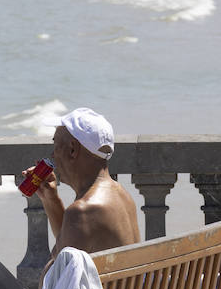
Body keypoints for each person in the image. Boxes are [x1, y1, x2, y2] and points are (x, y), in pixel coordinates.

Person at [22, 107, 139, 264]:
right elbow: (71, 239)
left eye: (55, 145)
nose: (52, 155)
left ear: (72, 150)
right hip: (121, 288)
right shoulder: (122, 196)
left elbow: (56, 277)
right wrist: (50, 199)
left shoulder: (83, 211)